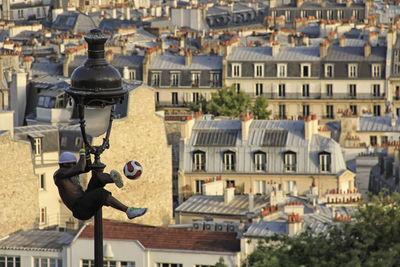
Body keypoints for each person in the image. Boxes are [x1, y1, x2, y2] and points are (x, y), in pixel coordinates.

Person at [54, 148, 147, 220]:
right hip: (80, 209)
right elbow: (81, 168)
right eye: (72, 164)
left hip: (84, 199)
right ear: (65, 164)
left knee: (97, 177)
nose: (74, 166)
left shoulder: (70, 171)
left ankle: (112, 178)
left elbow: (87, 168)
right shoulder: (59, 174)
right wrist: (82, 150)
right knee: (100, 193)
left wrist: (87, 154)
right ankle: (128, 211)